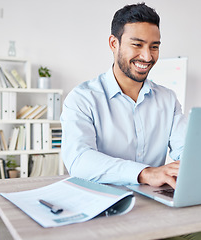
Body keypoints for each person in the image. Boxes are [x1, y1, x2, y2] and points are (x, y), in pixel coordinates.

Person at [61, 3, 187, 189]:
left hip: (154, 201)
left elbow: (186, 150)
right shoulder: (82, 98)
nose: (147, 56)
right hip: (102, 203)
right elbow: (79, 160)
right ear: (114, 43)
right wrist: (144, 173)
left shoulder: (167, 99)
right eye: (137, 45)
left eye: (154, 47)